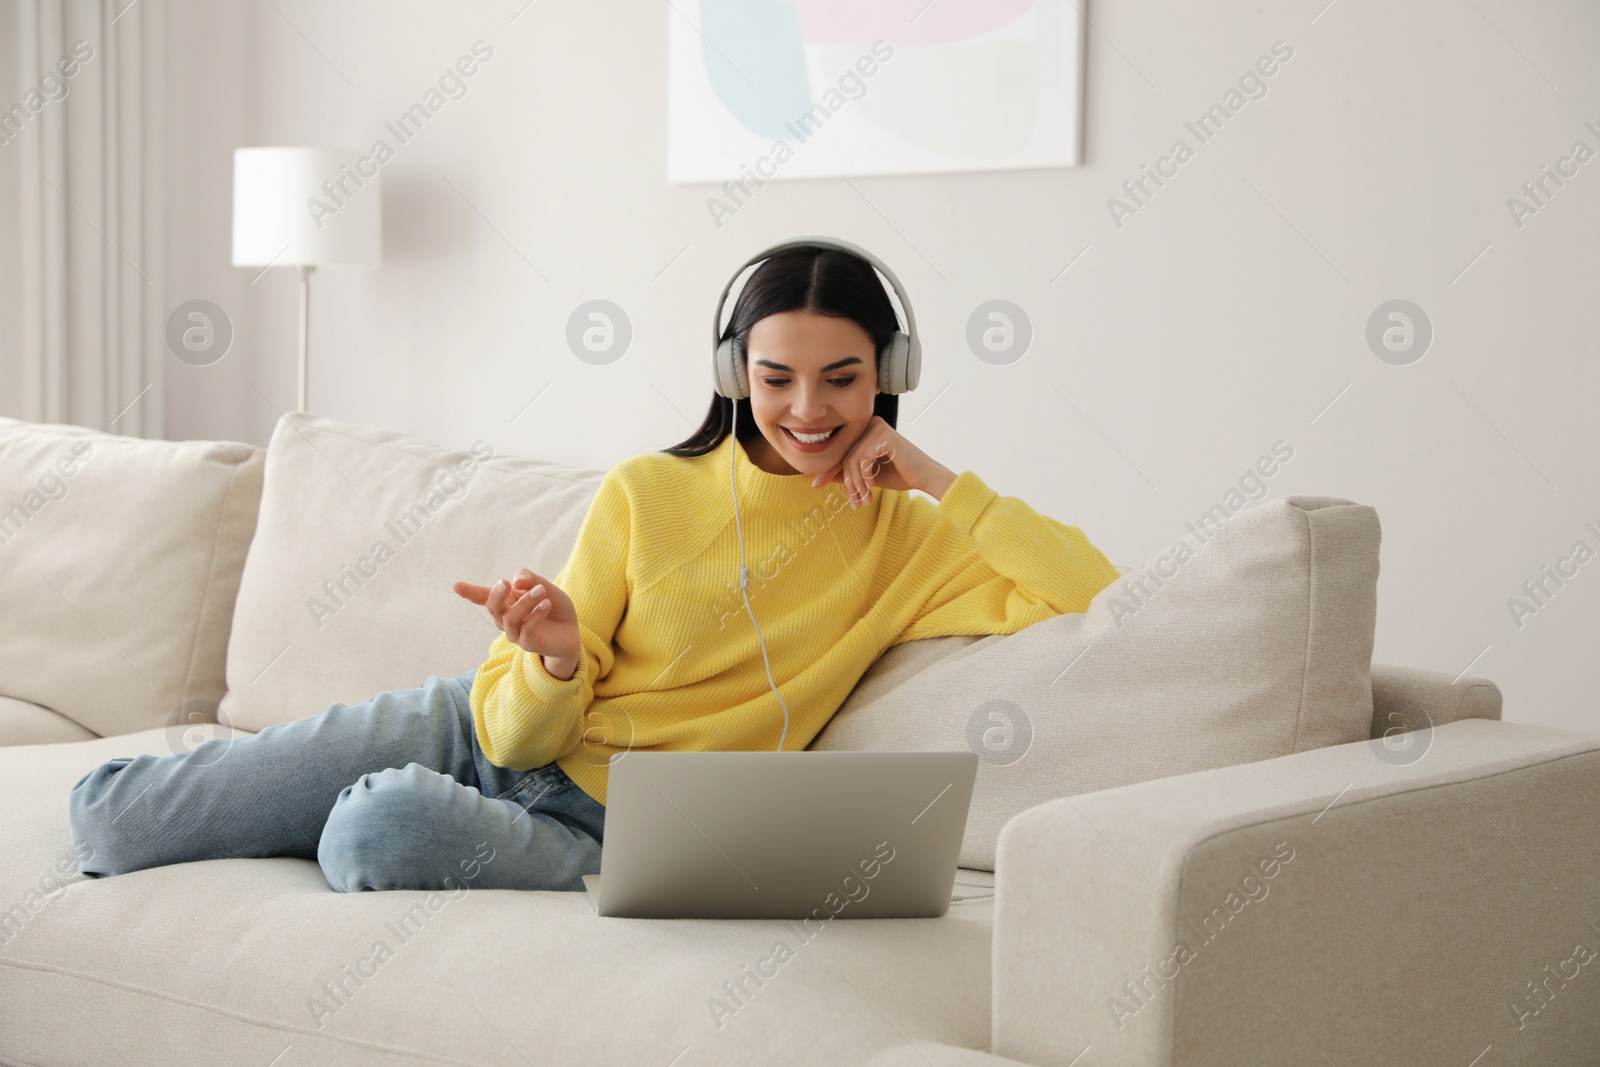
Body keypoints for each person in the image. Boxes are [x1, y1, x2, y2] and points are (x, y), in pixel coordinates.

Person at [67, 242, 1121, 893]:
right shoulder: (647, 492)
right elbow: (515, 730)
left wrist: (932, 474)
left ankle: (386, 814)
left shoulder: (913, 538)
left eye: (842, 379)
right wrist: (560, 659)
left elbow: (1090, 588)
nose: (809, 410)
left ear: (890, 376)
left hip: (616, 823)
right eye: (776, 377)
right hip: (479, 726)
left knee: (370, 829)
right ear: (731, 374)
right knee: (112, 817)